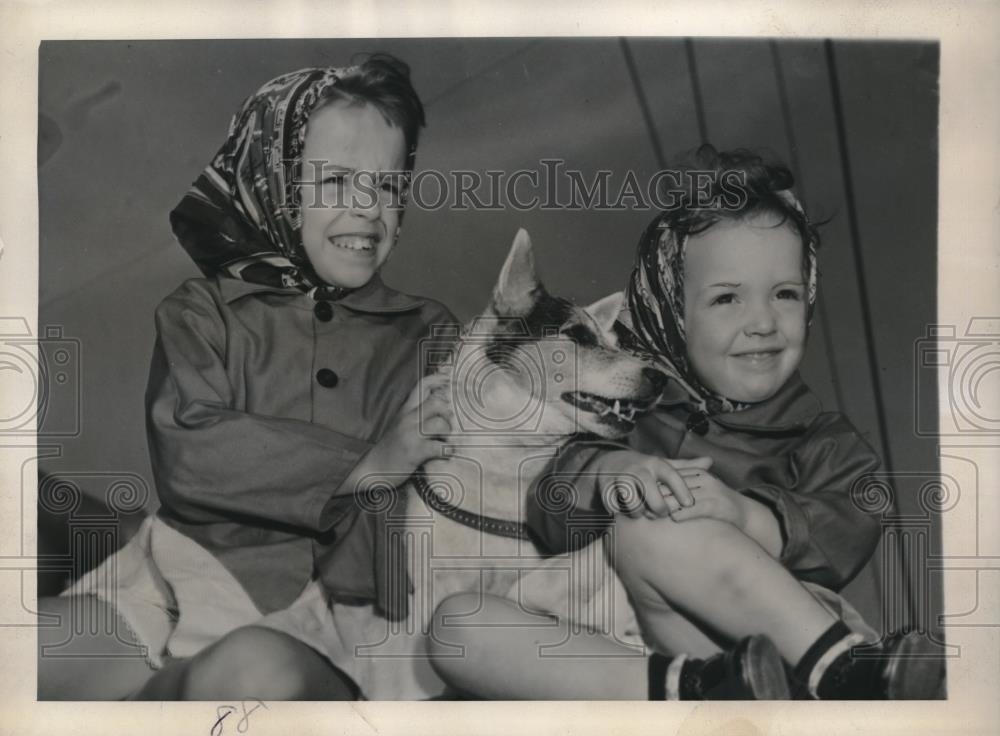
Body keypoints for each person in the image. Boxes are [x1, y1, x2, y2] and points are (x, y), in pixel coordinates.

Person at [428, 146, 943, 700]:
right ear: (670, 310)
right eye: (727, 299)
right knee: (457, 625)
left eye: (786, 294)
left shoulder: (823, 440)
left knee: (651, 522)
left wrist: (747, 514)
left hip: (787, 648)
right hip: (645, 660)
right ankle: (700, 693)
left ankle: (850, 674)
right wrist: (610, 471)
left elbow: (850, 520)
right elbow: (551, 501)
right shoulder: (625, 419)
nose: (763, 322)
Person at [37, 54, 458, 700]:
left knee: (241, 679)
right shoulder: (201, 311)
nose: (368, 210)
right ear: (276, 183)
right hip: (172, 582)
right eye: (337, 181)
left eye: (388, 186)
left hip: (340, 615)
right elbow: (191, 450)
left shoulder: (428, 333)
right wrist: (368, 463)